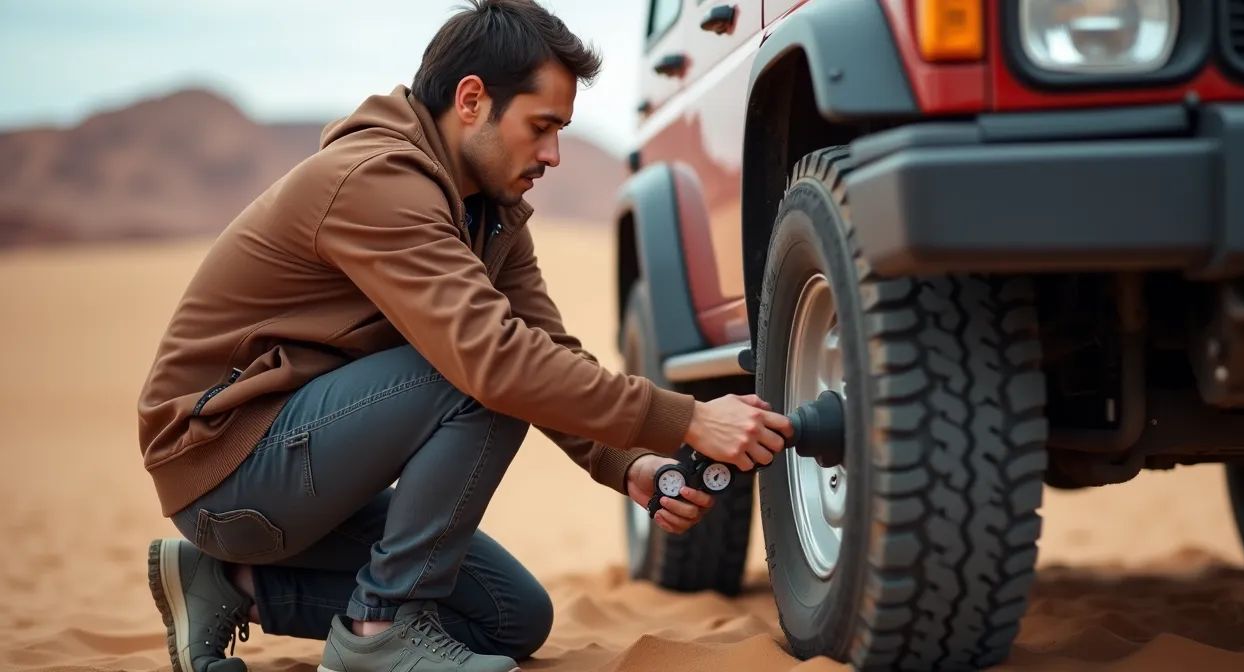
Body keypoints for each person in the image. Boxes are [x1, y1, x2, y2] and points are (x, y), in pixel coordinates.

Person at [136, 2, 793, 671]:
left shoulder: (491, 212)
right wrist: (687, 420)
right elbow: (497, 363)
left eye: (561, 130)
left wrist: (628, 465)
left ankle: (229, 585)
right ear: (472, 99)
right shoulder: (378, 181)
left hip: (308, 465)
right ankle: (376, 633)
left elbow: (546, 351)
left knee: (511, 618)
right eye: (541, 127)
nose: (553, 154)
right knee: (478, 379)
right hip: (229, 463)